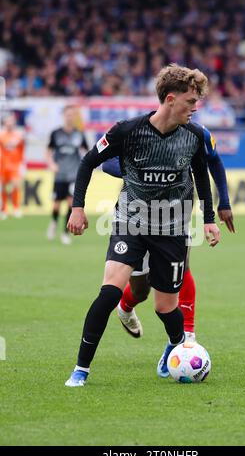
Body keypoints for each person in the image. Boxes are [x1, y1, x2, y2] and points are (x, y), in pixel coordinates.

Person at [65, 64, 220, 387]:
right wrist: (77, 208)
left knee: (165, 308)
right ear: (170, 98)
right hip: (130, 223)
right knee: (108, 293)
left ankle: (176, 348)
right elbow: (88, 162)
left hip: (172, 230)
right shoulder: (127, 131)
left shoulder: (192, 136)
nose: (195, 108)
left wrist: (209, 220)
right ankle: (81, 370)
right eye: (191, 101)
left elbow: (201, 177)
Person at [101, 126, 234, 377]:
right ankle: (125, 306)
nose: (193, 107)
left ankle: (185, 339)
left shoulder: (197, 134)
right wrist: (150, 169)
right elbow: (106, 164)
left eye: (195, 100)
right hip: (138, 213)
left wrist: (223, 202)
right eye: (189, 99)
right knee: (141, 287)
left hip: (176, 209)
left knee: (182, 268)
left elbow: (214, 162)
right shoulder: (139, 130)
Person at [46, 105, 88, 244]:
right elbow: (48, 151)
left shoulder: (79, 134)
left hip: (73, 174)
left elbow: (87, 153)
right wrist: (51, 163)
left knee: (71, 203)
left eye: (72, 115)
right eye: (67, 115)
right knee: (56, 205)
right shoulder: (56, 133)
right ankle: (53, 223)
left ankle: (65, 233)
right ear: (64, 116)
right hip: (60, 174)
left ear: (74, 117)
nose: (69, 117)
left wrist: (84, 168)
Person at [0, 113, 25, 219]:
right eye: (8, 121)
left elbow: (22, 150)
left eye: (11, 121)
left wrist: (23, 163)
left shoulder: (19, 135)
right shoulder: (1, 135)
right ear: (5, 123)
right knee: (4, 187)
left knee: (15, 185)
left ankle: (16, 208)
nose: (9, 124)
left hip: (15, 165)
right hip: (3, 164)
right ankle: (4, 210)